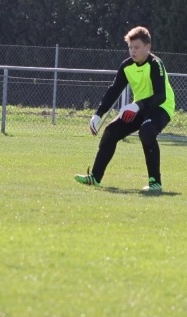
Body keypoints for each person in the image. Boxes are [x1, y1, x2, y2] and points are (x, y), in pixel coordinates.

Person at [74, 26, 175, 194]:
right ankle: (95, 177)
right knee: (111, 131)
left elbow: (161, 96)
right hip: (140, 108)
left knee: (147, 131)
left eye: (136, 47)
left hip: (161, 107)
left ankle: (155, 182)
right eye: (130, 47)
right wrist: (98, 114)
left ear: (147, 47)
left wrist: (137, 105)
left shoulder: (156, 64)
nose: (132, 51)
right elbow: (114, 90)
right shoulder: (126, 66)